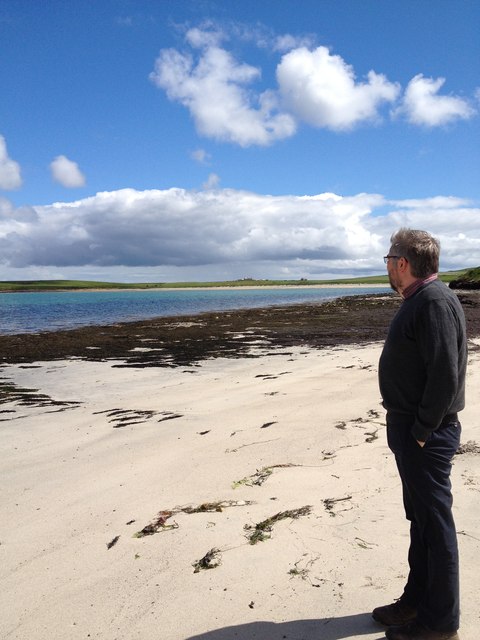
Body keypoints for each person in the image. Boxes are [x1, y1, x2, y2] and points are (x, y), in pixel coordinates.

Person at [373, 228, 467, 640]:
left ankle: (439, 623)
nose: (389, 267)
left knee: (434, 525)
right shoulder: (422, 300)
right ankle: (417, 601)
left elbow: (445, 374)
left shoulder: (433, 301)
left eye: (389, 259)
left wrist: (423, 430)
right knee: (421, 522)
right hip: (413, 431)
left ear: (403, 263)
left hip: (423, 435)